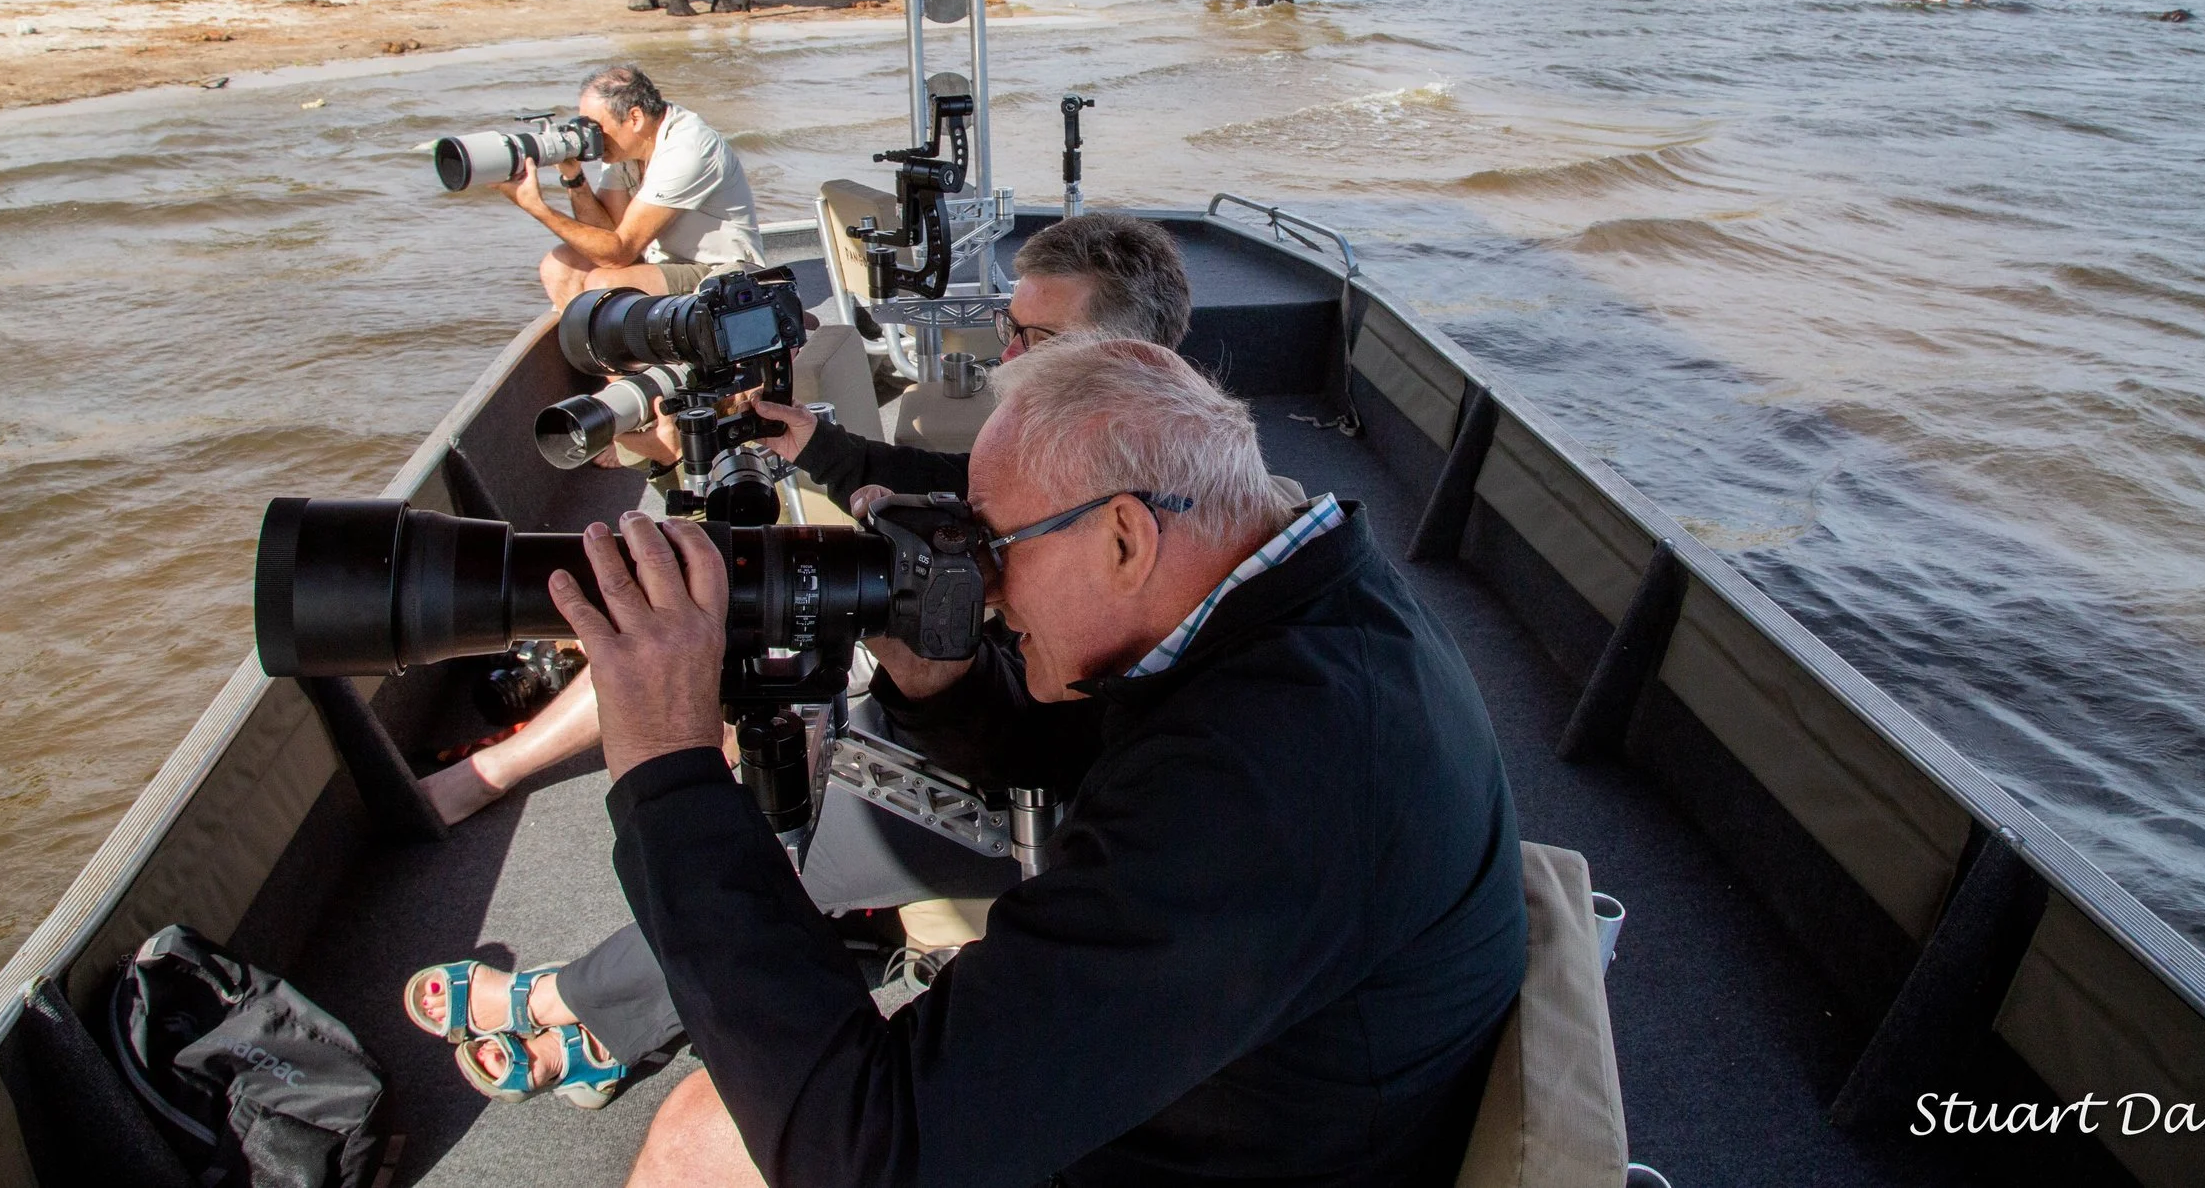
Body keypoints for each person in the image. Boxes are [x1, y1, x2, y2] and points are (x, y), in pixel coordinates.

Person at [565, 338, 1530, 1188]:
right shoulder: (1303, 604)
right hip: (1256, 1094)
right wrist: (948, 686)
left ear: (1124, 536)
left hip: (1217, 1157)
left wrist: (666, 763)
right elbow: (1105, 753)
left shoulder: (1268, 782)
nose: (980, 587)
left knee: (699, 1144)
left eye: (994, 544)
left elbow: (865, 1154)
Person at [414, 210, 1192, 829]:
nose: (1006, 356)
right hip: (963, 683)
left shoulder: (1135, 524)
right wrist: (827, 448)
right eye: (1007, 328)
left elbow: (1041, 746)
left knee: (721, 613)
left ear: (1125, 355)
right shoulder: (1110, 454)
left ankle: (566, 949)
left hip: (978, 733)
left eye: (1038, 339)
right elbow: (964, 488)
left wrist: (938, 681)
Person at [505, 62, 763, 308]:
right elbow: (608, 233)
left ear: (635, 118)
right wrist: (575, 179)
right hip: (660, 262)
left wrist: (538, 209)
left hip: (721, 272)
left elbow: (619, 253)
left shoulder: (688, 148)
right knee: (559, 266)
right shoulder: (626, 149)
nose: (588, 136)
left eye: (595, 127)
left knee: (606, 285)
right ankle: (592, 351)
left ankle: (631, 352)